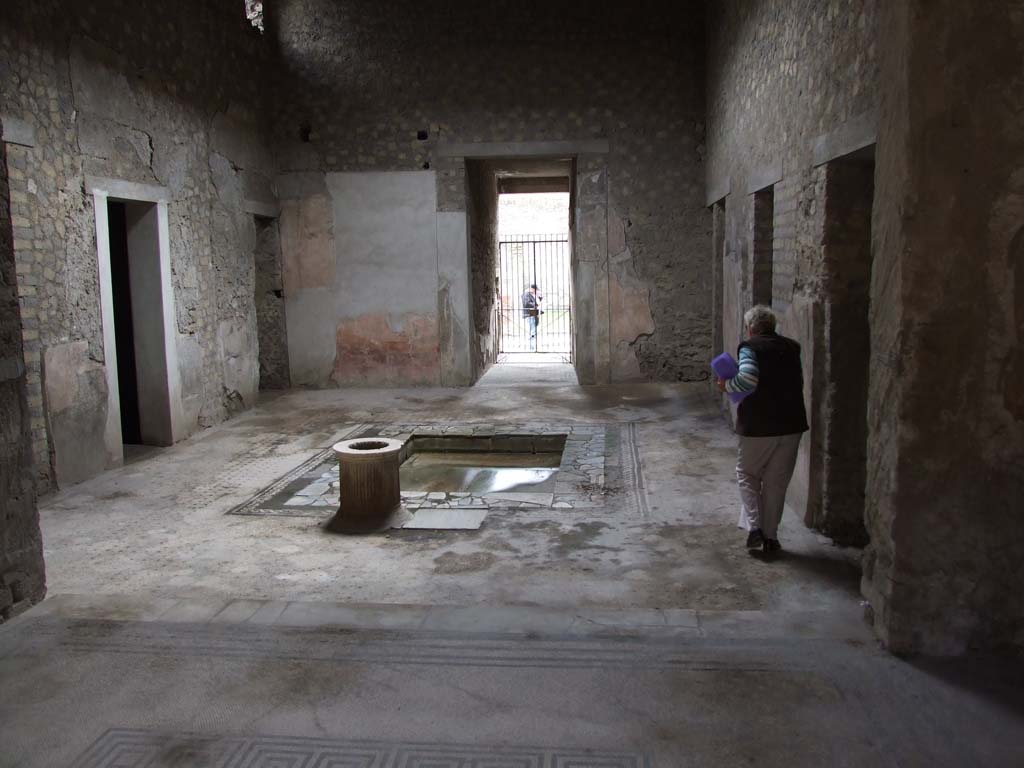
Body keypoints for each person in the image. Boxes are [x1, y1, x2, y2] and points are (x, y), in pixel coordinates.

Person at [716, 305, 808, 554]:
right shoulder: (792, 347)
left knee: (747, 473)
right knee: (776, 483)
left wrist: (727, 385)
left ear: (750, 328)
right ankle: (771, 537)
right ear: (773, 326)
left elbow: (747, 379)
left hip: (759, 425)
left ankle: (755, 527)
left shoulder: (750, 348)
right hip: (792, 424)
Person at [521, 283, 542, 351]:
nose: (536, 291)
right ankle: (532, 347)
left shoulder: (533, 294)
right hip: (530, 313)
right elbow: (526, 303)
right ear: (532, 289)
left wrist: (540, 298)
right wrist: (536, 304)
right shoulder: (526, 294)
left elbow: (536, 302)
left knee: (534, 329)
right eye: (535, 290)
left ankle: (533, 346)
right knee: (532, 330)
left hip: (534, 313)